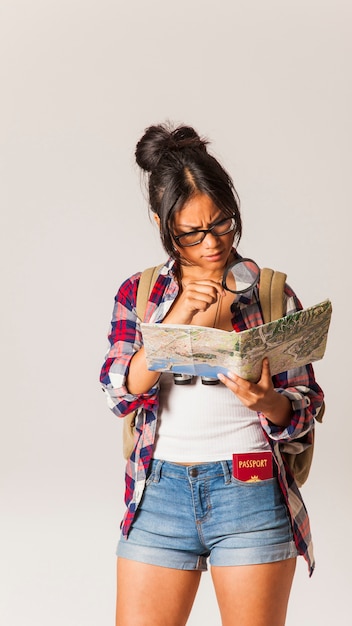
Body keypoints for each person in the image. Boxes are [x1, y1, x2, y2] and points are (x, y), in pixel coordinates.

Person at [100, 122, 324, 626]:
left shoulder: (272, 295)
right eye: (192, 232)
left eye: (222, 224)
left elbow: (305, 408)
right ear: (162, 223)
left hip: (248, 486)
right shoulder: (140, 295)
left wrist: (270, 403)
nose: (212, 242)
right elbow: (118, 391)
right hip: (158, 492)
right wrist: (173, 321)